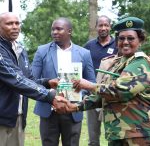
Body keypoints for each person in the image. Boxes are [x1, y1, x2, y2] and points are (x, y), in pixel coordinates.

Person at [68, 17, 150, 146]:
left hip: (137, 135)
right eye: (121, 38)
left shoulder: (141, 63)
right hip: (118, 134)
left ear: (140, 40)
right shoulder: (118, 63)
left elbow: (119, 91)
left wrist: (88, 85)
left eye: (131, 38)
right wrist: (75, 106)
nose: (125, 42)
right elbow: (102, 95)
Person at [0, 12, 68, 146]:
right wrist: (49, 96)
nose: (14, 27)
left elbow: (28, 79)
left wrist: (47, 82)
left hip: (17, 116)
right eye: (9, 23)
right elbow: (16, 80)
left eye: (17, 23)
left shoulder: (20, 49)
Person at [32, 17, 95, 146]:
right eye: (53, 29)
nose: (55, 32)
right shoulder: (42, 51)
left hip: (72, 110)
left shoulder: (84, 53)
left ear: (69, 31)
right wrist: (48, 84)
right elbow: (32, 81)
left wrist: (78, 96)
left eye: (59, 29)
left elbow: (91, 83)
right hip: (48, 109)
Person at [84, 15, 118, 146]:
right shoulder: (89, 46)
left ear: (110, 26)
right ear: (96, 27)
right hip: (92, 94)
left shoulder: (118, 44)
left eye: (106, 25)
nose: (103, 28)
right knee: (93, 138)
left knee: (113, 134)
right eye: (100, 25)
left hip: (111, 95)